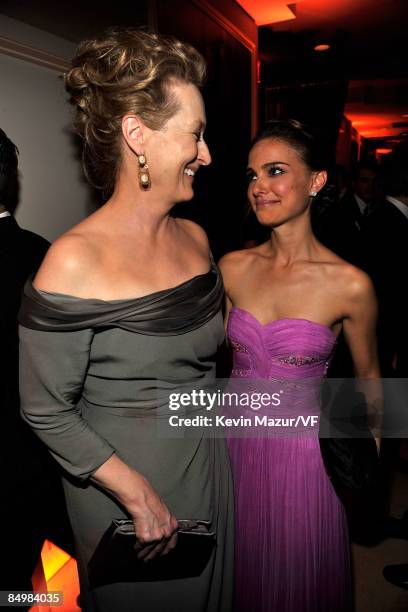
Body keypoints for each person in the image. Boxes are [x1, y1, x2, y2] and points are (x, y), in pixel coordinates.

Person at [18, 28, 233, 612]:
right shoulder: (72, 261)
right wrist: (136, 493)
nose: (207, 154)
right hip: (125, 492)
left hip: (207, 466)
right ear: (138, 135)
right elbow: (43, 408)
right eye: (196, 134)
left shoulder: (196, 238)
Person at [219, 119, 381, 612]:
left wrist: (364, 475)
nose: (259, 187)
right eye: (251, 176)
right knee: (236, 575)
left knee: (296, 581)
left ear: (316, 181)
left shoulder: (349, 284)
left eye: (275, 171)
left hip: (306, 456)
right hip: (232, 445)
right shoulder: (230, 267)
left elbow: (371, 381)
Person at [0, 128, 72, 603]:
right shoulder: (43, 253)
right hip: (31, 456)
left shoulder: (46, 258)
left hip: (24, 458)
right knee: (32, 590)